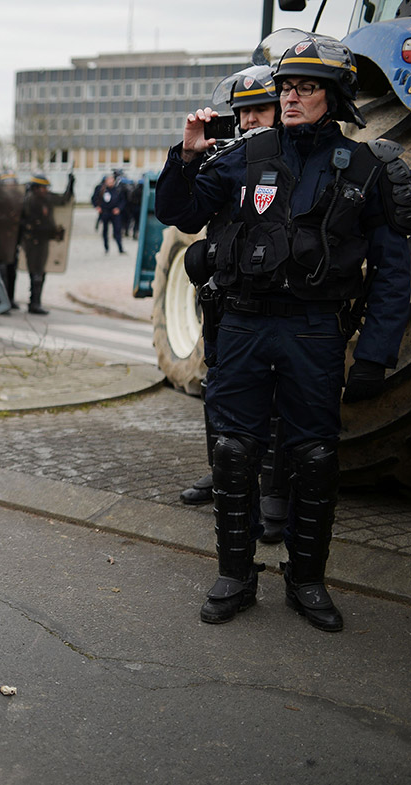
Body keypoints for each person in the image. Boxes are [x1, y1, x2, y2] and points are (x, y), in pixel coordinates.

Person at [155, 33, 411, 632]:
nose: (291, 97)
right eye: (287, 86)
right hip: (243, 326)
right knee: (234, 451)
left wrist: (374, 355)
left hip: (315, 331)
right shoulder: (246, 154)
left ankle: (307, 581)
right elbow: (182, 213)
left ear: (337, 95)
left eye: (307, 88)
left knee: (316, 457)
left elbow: (395, 273)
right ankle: (235, 575)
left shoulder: (370, 167)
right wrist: (187, 155)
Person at [180, 65, 291, 548]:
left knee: (274, 394)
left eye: (259, 111)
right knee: (218, 383)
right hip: (225, 294)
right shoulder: (224, 161)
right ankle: (222, 474)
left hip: (274, 297)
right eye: (242, 113)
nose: (249, 121)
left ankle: (273, 491)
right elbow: (185, 212)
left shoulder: (290, 162)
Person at [17, 172, 74, 316]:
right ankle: (34, 303)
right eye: (43, 188)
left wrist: (71, 183)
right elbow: (24, 222)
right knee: (36, 272)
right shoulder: (29, 201)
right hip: (33, 241)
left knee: (41, 271)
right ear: (36, 188)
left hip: (43, 240)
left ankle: (36, 302)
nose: (46, 190)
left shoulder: (45, 198)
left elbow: (64, 199)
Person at [93, 174, 125, 254]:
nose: (110, 182)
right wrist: (97, 207)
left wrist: (119, 209)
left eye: (111, 180)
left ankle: (120, 248)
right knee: (105, 231)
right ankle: (106, 248)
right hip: (105, 212)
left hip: (115, 213)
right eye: (108, 180)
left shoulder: (118, 189)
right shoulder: (101, 189)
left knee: (117, 230)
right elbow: (94, 198)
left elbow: (123, 200)